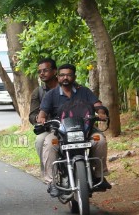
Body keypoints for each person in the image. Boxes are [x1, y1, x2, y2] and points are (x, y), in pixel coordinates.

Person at [36, 63, 111, 196]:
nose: (65, 77)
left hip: (85, 129)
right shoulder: (51, 95)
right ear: (58, 77)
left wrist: (101, 112)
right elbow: (42, 113)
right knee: (49, 144)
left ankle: (99, 175)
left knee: (100, 140)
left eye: (69, 75)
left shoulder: (84, 91)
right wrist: (42, 119)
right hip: (60, 131)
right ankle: (51, 182)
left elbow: (97, 104)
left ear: (74, 76)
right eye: (62, 75)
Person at [28, 57, 58, 161]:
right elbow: (31, 115)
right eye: (39, 71)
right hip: (50, 129)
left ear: (55, 71)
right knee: (40, 140)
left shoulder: (67, 86)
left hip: (70, 125)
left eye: (45, 70)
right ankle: (47, 171)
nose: (42, 73)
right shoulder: (38, 92)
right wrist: (38, 118)